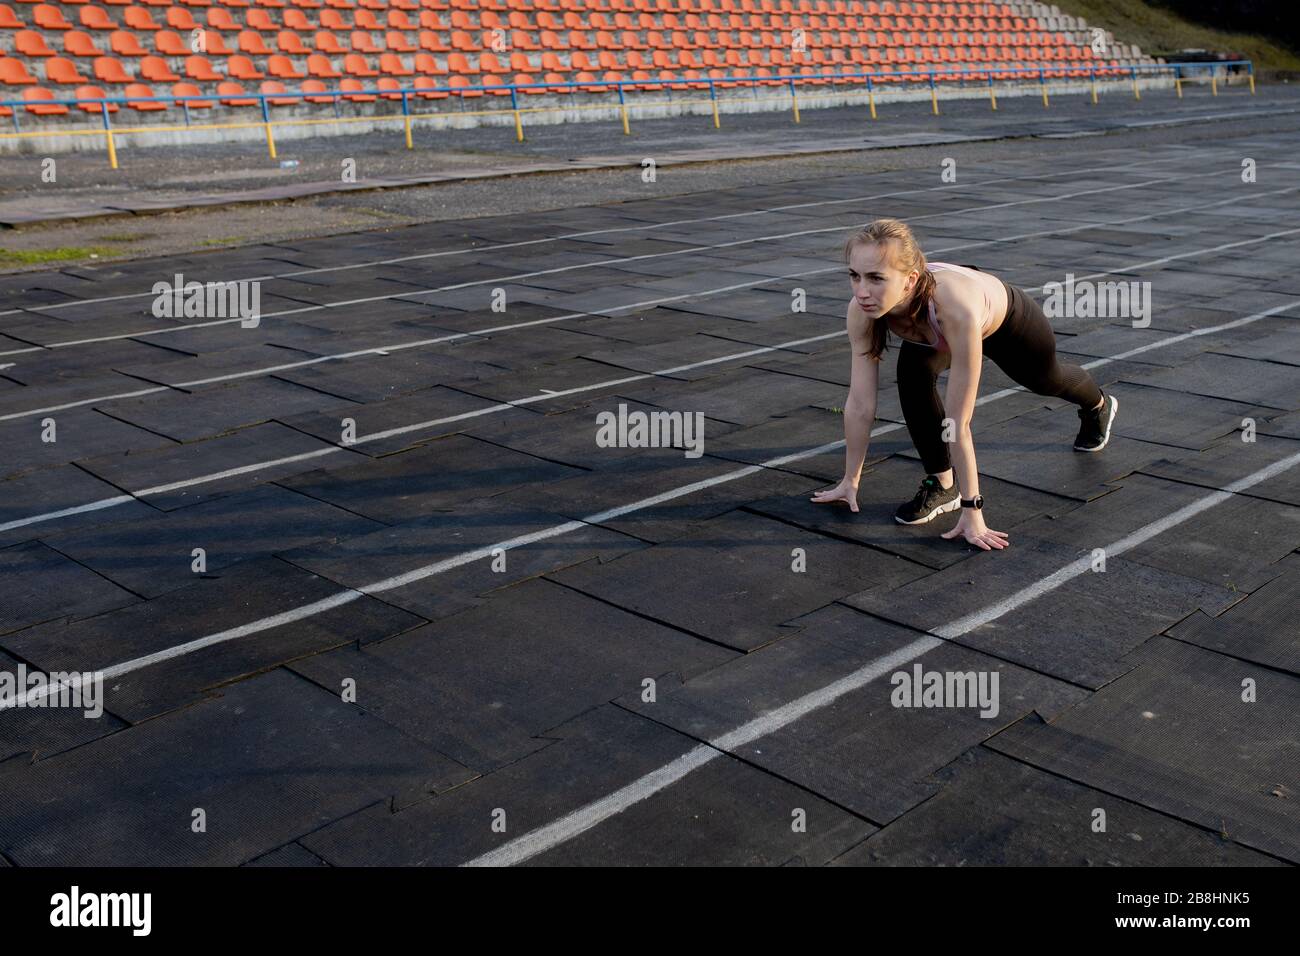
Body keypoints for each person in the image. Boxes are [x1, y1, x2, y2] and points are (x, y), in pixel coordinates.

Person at [810, 218, 1118, 551]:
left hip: (1005, 320)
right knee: (913, 378)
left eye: (875, 278)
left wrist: (974, 512)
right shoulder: (861, 310)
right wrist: (850, 480)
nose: (861, 291)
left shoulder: (954, 310)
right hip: (927, 323)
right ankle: (943, 484)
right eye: (854, 276)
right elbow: (859, 404)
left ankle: (1098, 405)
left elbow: (959, 422)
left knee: (1047, 380)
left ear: (910, 279)